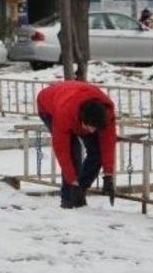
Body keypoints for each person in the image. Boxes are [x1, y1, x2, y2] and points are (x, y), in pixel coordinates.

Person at [36, 81, 116, 209]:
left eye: (95, 128)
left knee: (97, 152)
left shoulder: (106, 115)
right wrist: (72, 181)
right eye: (89, 127)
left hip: (74, 96)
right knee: (73, 150)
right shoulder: (64, 113)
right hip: (49, 104)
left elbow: (107, 144)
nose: (92, 131)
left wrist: (108, 175)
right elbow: (63, 151)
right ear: (82, 120)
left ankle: (80, 192)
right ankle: (68, 199)